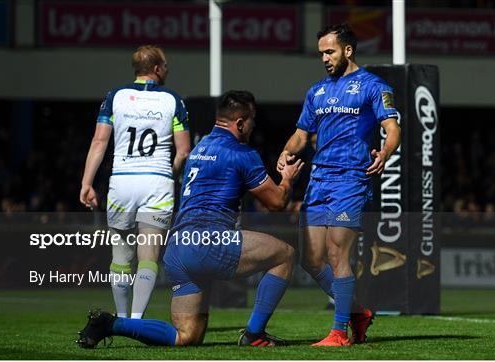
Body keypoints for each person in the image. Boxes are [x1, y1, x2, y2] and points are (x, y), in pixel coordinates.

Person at [77, 90, 304, 348]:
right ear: (240, 123)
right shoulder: (241, 153)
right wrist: (287, 178)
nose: (254, 125)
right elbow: (277, 203)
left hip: (178, 248)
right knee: (284, 254)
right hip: (210, 240)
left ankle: (112, 323)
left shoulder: (200, 148)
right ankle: (254, 335)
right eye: (252, 119)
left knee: (187, 336)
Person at [277, 22, 401, 346]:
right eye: (321, 53)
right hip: (319, 179)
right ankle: (358, 312)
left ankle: (339, 332)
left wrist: (385, 152)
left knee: (336, 253)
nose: (324, 58)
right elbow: (302, 134)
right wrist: (285, 151)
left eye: (329, 51)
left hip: (351, 178)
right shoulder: (316, 91)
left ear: (348, 50)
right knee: (311, 259)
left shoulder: (373, 86)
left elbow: (392, 128)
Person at [79, 45, 191, 319]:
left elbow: (99, 141)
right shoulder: (172, 99)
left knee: (120, 258)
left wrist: (87, 183)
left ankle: (119, 318)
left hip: (122, 183)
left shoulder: (115, 96)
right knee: (148, 257)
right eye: (165, 66)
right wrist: (172, 173)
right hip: (156, 183)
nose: (167, 70)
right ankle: (136, 320)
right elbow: (184, 151)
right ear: (156, 69)